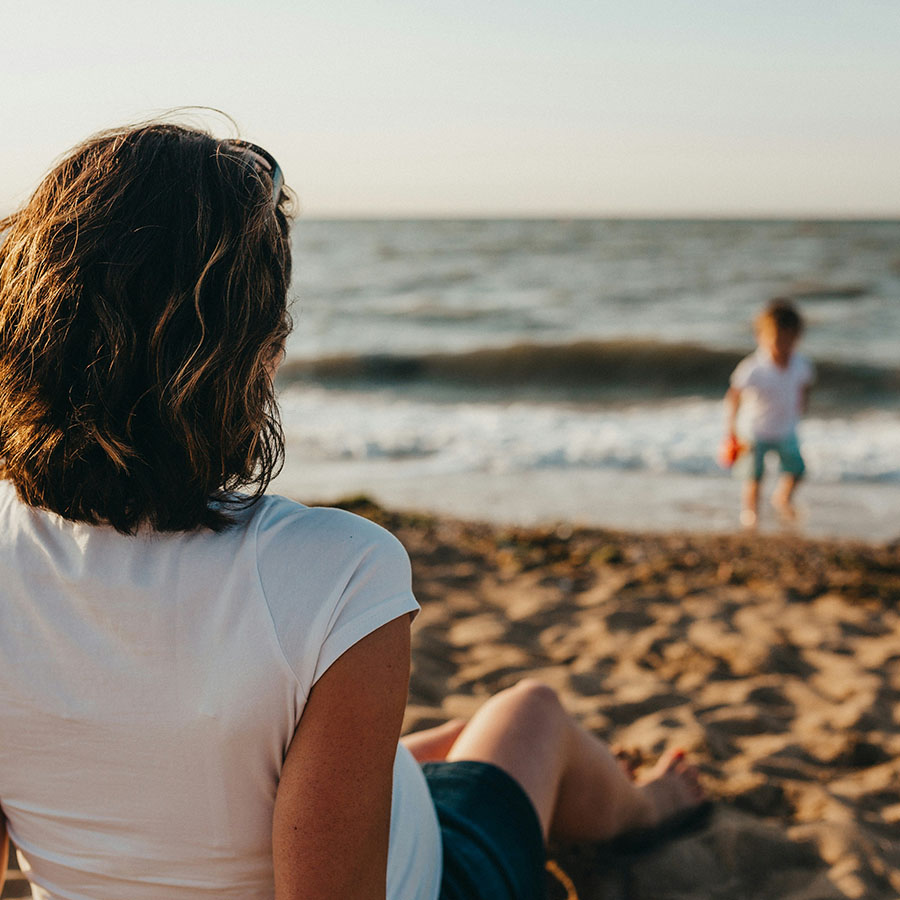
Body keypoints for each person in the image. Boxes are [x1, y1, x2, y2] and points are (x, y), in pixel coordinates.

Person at [0, 120, 705, 900]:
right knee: (532, 715)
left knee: (427, 747)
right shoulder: (338, 570)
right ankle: (654, 807)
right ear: (254, 352)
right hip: (438, 881)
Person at [724, 299, 815, 529]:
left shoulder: (801, 364)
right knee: (754, 476)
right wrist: (731, 431)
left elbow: (804, 386)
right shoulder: (753, 367)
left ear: (797, 337)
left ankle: (782, 498)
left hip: (785, 428)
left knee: (797, 470)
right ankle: (751, 514)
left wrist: (801, 407)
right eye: (777, 339)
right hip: (754, 430)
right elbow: (734, 395)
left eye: (788, 340)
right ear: (760, 336)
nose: (782, 345)